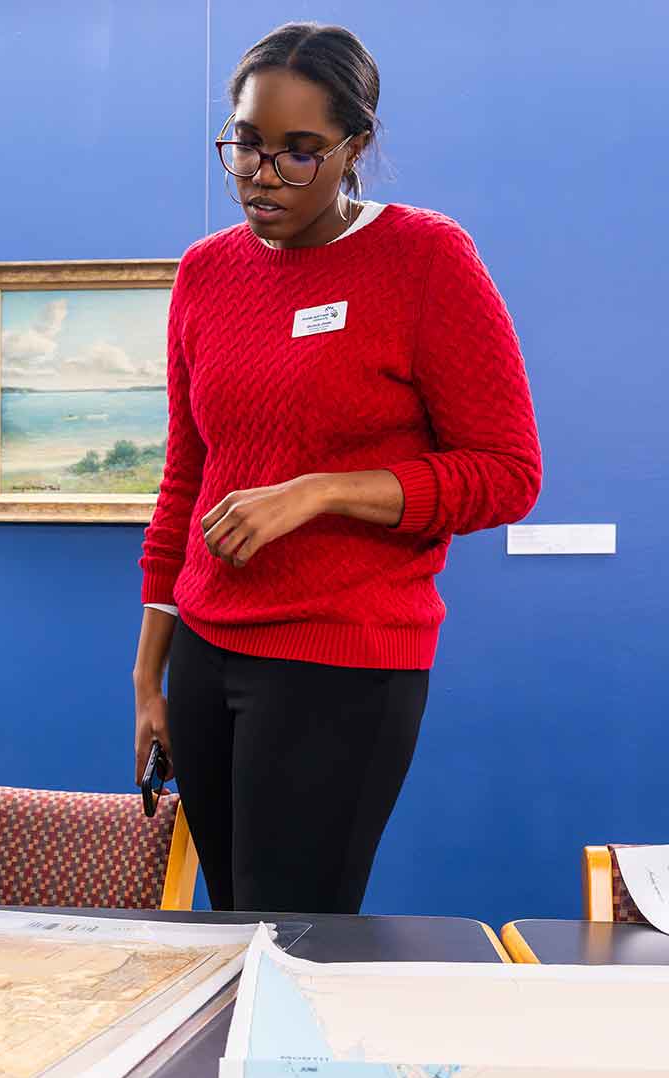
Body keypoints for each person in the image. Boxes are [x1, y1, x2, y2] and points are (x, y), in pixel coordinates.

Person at [133, 23, 541, 914]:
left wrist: (321, 494)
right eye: (245, 143)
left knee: (290, 938)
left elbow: (507, 473)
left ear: (355, 147)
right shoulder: (206, 272)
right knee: (225, 936)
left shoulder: (425, 258)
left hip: (342, 662)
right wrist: (148, 676)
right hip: (206, 652)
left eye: (299, 152)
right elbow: (183, 481)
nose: (261, 173)